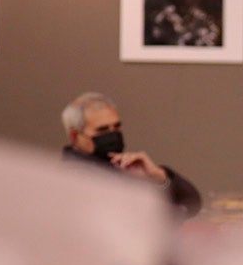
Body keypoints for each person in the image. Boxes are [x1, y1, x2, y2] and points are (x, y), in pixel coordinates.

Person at [61, 92, 201, 219]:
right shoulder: (73, 178)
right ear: (75, 136)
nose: (112, 134)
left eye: (116, 127)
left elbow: (192, 205)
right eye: (102, 130)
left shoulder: (121, 166)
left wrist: (159, 176)